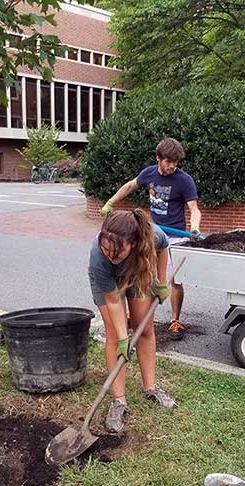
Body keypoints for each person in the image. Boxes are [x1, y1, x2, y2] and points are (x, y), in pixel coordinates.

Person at [100, 138, 201, 341]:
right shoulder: (149, 173)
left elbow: (194, 209)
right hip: (153, 233)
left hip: (175, 237)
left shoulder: (184, 180)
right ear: (159, 158)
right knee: (139, 272)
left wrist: (195, 227)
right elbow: (129, 186)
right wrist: (110, 202)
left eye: (176, 162)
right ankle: (135, 316)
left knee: (174, 280)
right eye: (169, 161)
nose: (173, 166)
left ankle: (175, 320)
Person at [89, 209, 174, 433]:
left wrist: (161, 281)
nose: (110, 255)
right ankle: (119, 400)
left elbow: (164, 248)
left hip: (137, 273)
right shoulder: (100, 258)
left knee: (144, 329)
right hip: (107, 283)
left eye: (117, 253)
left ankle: (151, 387)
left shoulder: (151, 234)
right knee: (116, 336)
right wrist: (124, 338)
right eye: (106, 249)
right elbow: (113, 301)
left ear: (134, 243)